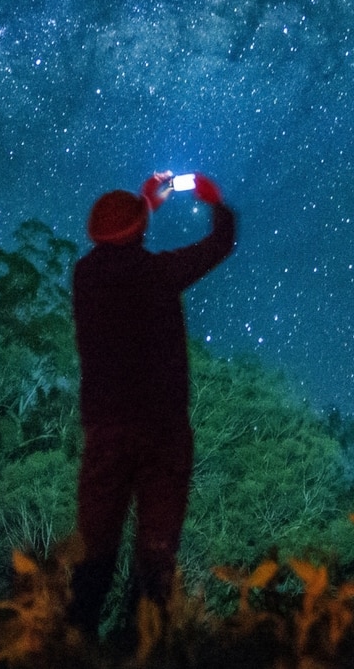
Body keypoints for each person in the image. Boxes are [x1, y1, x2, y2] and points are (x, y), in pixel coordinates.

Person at [66, 170, 236, 638]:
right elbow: (220, 243)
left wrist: (143, 206)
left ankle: (70, 645)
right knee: (156, 553)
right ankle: (141, 646)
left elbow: (119, 248)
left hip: (106, 433)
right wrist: (213, 200)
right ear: (138, 229)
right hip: (163, 434)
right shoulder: (160, 275)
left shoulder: (85, 276)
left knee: (95, 550)